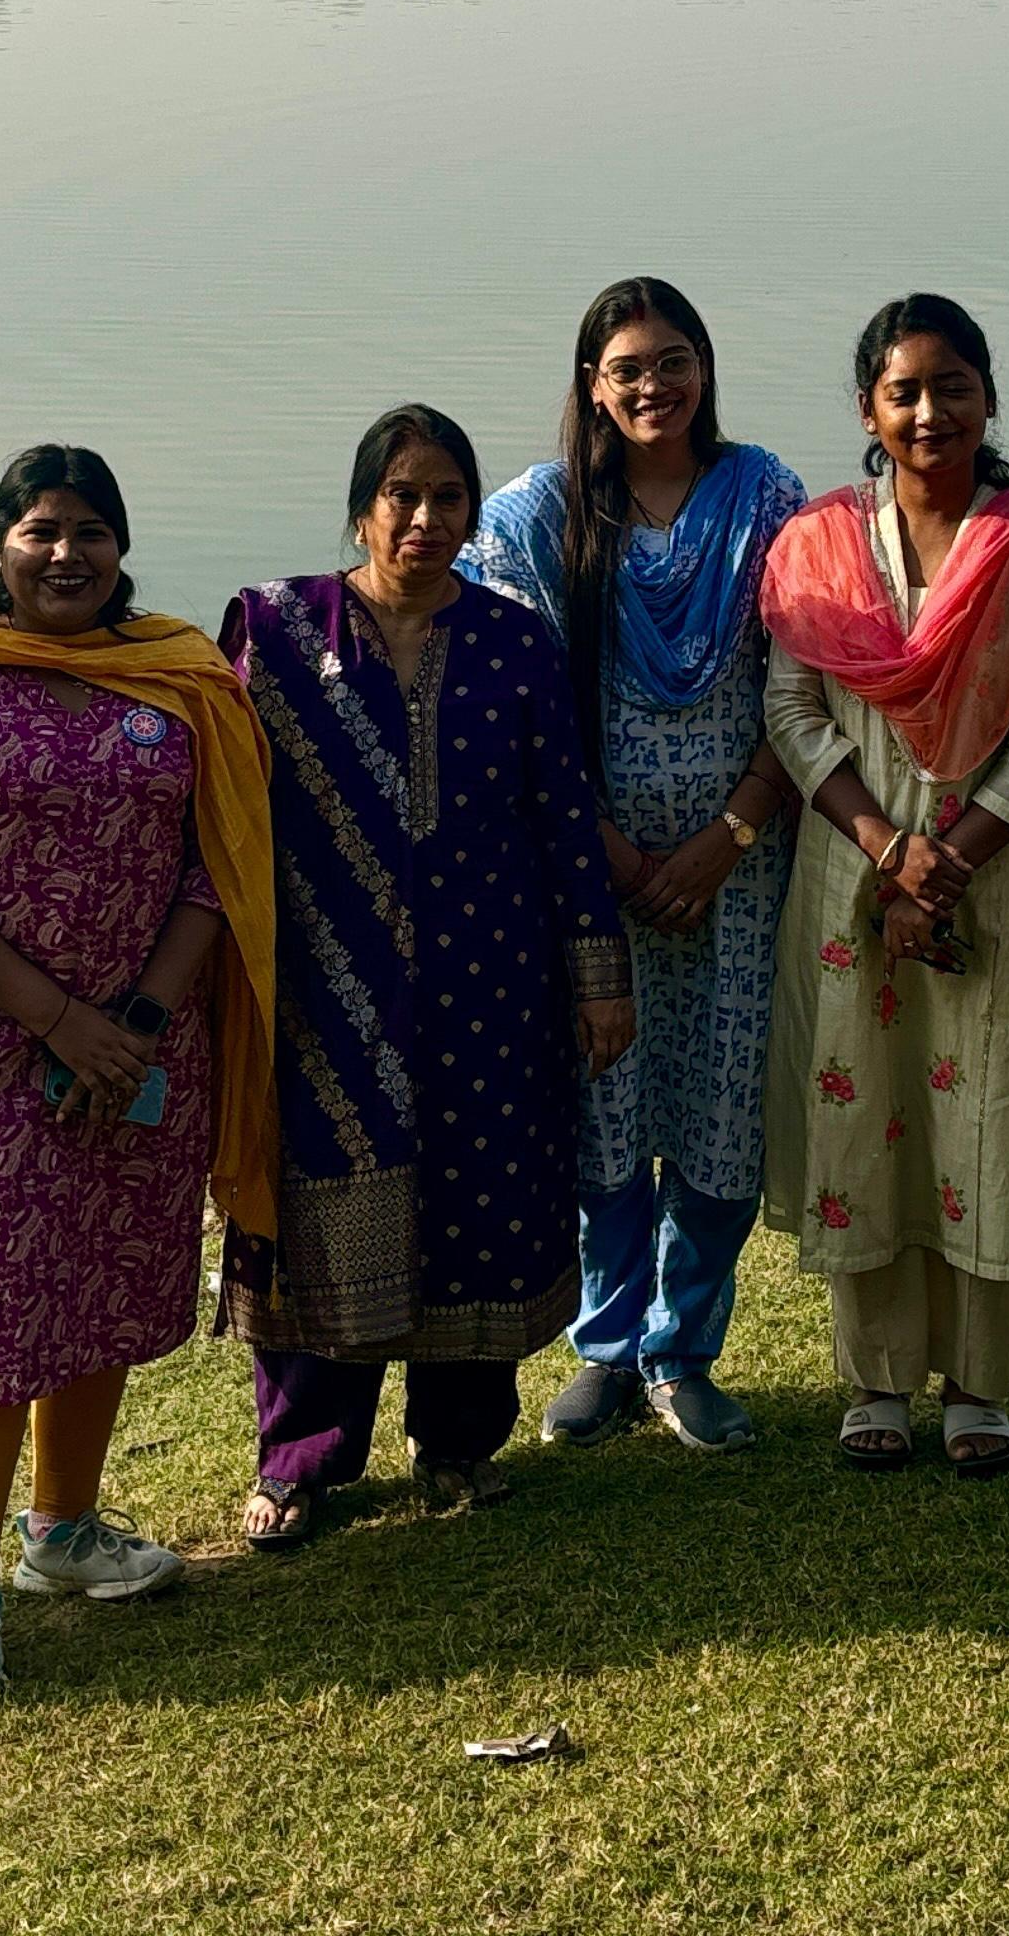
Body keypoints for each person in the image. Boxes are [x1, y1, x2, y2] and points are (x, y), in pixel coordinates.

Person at [0, 446, 279, 1692]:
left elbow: (221, 859)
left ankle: (66, 1529)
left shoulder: (179, 679)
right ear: (0, 544)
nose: (66, 554)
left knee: (102, 1279)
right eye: (41, 529)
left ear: (120, 547)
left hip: (144, 1045)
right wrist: (58, 1021)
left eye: (91, 531)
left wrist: (136, 1018)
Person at [220, 405, 635, 1545]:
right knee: (322, 1209)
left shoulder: (514, 642)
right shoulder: (276, 630)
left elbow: (564, 819)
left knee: (481, 1199)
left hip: (494, 978)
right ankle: (302, 1459)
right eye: (402, 495)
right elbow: (211, 784)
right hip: (322, 985)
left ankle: (456, 1441)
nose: (424, 518)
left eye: (448, 497)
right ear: (362, 507)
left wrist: (599, 977)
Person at [759, 296, 1009, 1478]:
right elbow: (792, 710)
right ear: (868, 410)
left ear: (988, 397)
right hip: (852, 871)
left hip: (996, 879)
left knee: (988, 1110)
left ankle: (979, 1384)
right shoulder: (815, 545)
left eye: (952, 387)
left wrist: (947, 860)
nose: (928, 412)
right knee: (864, 1107)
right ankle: (876, 1380)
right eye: (903, 391)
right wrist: (888, 850)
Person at [465, 279, 805, 1456]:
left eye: (674, 361)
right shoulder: (537, 516)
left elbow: (804, 683)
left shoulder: (768, 498)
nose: (654, 385)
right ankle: (606, 1348)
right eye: (628, 368)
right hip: (588, 867)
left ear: (704, 367)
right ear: (592, 386)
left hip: (741, 866)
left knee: (722, 1106)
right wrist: (608, 852)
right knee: (605, 1104)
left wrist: (728, 837)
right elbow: (515, 703)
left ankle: (684, 1351)